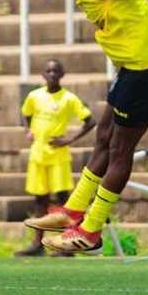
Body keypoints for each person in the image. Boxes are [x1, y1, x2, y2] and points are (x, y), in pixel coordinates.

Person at [23, 0, 148, 253]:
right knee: (104, 137)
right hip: (132, 66)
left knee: (120, 150)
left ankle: (91, 230)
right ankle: (73, 211)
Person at [16, 59, 97, 257]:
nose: (52, 74)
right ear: (43, 75)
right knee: (39, 199)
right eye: (48, 71)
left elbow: (90, 121)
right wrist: (28, 130)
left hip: (58, 156)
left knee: (64, 201)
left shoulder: (68, 98)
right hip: (38, 154)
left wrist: (69, 140)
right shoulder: (34, 96)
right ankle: (38, 243)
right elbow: (25, 113)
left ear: (62, 74)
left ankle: (68, 243)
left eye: (56, 71)